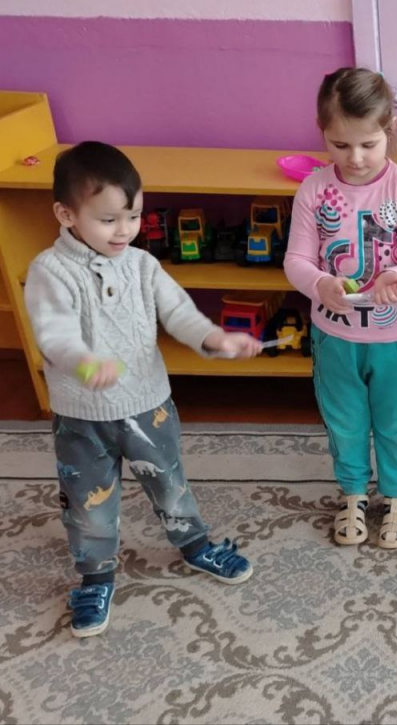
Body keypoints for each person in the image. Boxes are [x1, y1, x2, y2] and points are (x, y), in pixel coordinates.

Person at [24, 141, 260, 638]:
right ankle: (95, 577)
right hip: (81, 415)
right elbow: (53, 331)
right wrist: (83, 361)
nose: (125, 230)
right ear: (66, 214)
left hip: (148, 405)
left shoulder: (142, 264)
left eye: (133, 216)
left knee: (170, 482)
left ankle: (194, 545)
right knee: (87, 503)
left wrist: (214, 337)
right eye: (108, 219)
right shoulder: (50, 270)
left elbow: (177, 311)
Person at [284, 67, 397, 549]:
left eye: (368, 144)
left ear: (390, 129)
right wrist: (319, 283)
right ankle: (352, 494)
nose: (354, 158)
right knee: (344, 424)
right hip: (335, 338)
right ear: (321, 132)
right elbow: (296, 260)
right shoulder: (313, 190)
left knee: (395, 424)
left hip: (396, 338)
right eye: (340, 144)